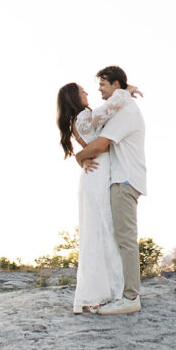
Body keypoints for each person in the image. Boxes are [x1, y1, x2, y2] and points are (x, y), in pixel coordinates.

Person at [74, 65, 147, 315]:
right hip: (120, 178)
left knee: (125, 239)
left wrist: (79, 156)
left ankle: (130, 297)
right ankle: (122, 292)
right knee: (120, 238)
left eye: (103, 85)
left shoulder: (125, 111)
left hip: (125, 180)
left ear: (115, 85)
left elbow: (102, 144)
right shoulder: (121, 106)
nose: (99, 90)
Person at [56, 82, 124, 313]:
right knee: (101, 232)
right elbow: (111, 111)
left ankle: (97, 293)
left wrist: (81, 156)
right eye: (82, 91)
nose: (87, 93)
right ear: (75, 97)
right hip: (96, 179)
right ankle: (99, 294)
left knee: (98, 232)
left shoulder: (78, 119)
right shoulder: (85, 116)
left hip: (94, 177)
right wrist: (126, 90)